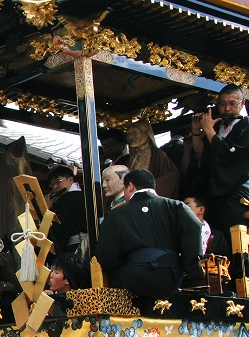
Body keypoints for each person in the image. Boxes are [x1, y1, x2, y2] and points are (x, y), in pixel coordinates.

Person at [97, 169, 204, 299]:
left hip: (133, 279)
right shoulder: (176, 206)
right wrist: (190, 266)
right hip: (170, 278)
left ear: (130, 186)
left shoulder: (116, 214)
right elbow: (194, 227)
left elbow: (107, 257)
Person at [191, 84, 249, 238]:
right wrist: (197, 131)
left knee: (234, 239)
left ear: (242, 104)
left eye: (232, 103)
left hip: (234, 192)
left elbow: (228, 155)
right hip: (213, 192)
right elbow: (201, 155)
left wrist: (209, 131)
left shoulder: (245, 125)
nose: (227, 108)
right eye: (222, 104)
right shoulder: (219, 126)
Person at [119, 119, 179, 199]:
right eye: (128, 134)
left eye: (134, 133)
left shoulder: (158, 155)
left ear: (146, 135)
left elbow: (171, 176)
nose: (130, 137)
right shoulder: (128, 161)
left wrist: (148, 189)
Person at [45, 165, 86, 254]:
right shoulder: (82, 196)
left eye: (58, 182)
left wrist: (48, 209)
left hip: (74, 247)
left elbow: (57, 228)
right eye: (52, 184)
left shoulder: (69, 198)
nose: (55, 187)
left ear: (70, 179)